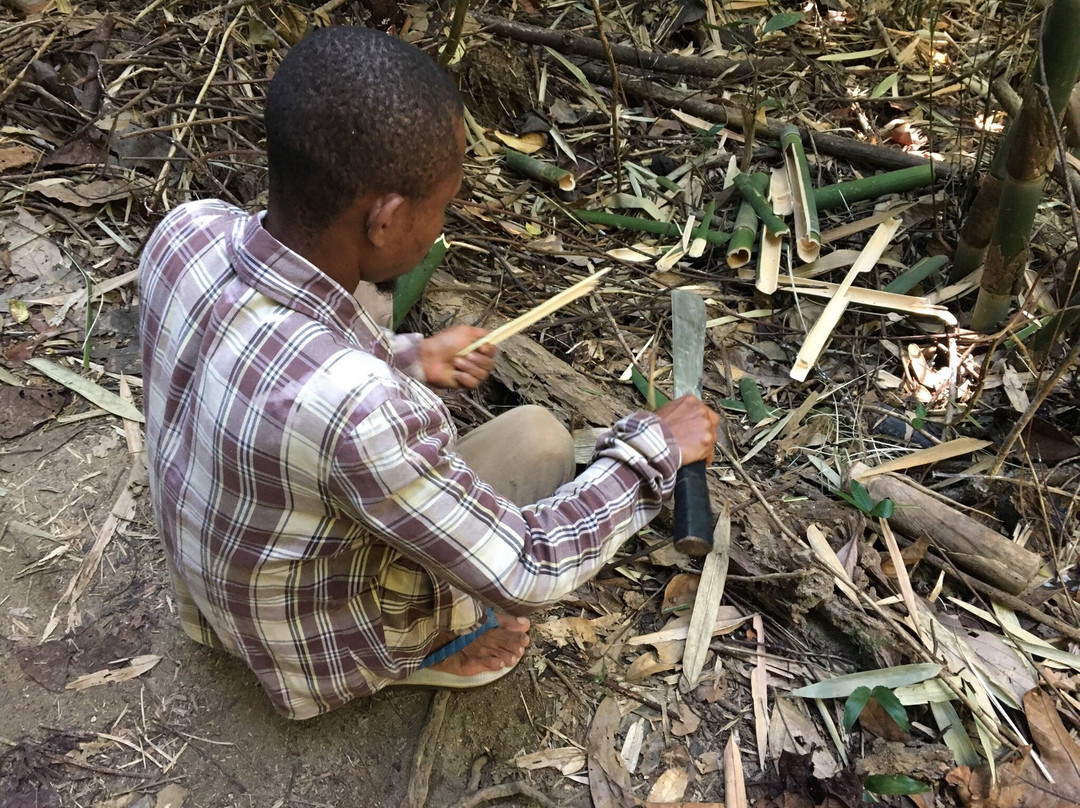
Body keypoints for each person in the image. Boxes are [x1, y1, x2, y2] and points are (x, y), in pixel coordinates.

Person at [138, 25, 720, 720]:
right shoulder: (361, 411)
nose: (442, 223)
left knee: (527, 438)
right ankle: (417, 652)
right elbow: (528, 568)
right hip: (297, 642)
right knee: (541, 441)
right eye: (440, 208)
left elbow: (276, 347)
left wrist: (410, 355)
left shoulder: (187, 231)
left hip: (212, 588)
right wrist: (653, 450)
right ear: (384, 221)